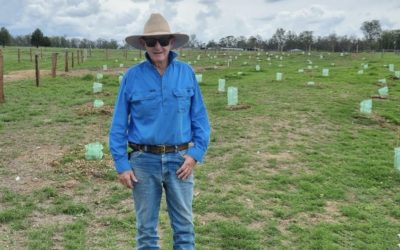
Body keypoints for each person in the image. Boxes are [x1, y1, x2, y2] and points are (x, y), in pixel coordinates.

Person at [109, 13, 210, 249]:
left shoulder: (186, 73)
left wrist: (195, 155)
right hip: (143, 162)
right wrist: (122, 164)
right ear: (143, 44)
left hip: (180, 162)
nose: (158, 46)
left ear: (171, 42)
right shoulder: (132, 77)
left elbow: (200, 119)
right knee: (146, 230)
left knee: (184, 227)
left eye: (163, 40)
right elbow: (118, 125)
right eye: (152, 41)